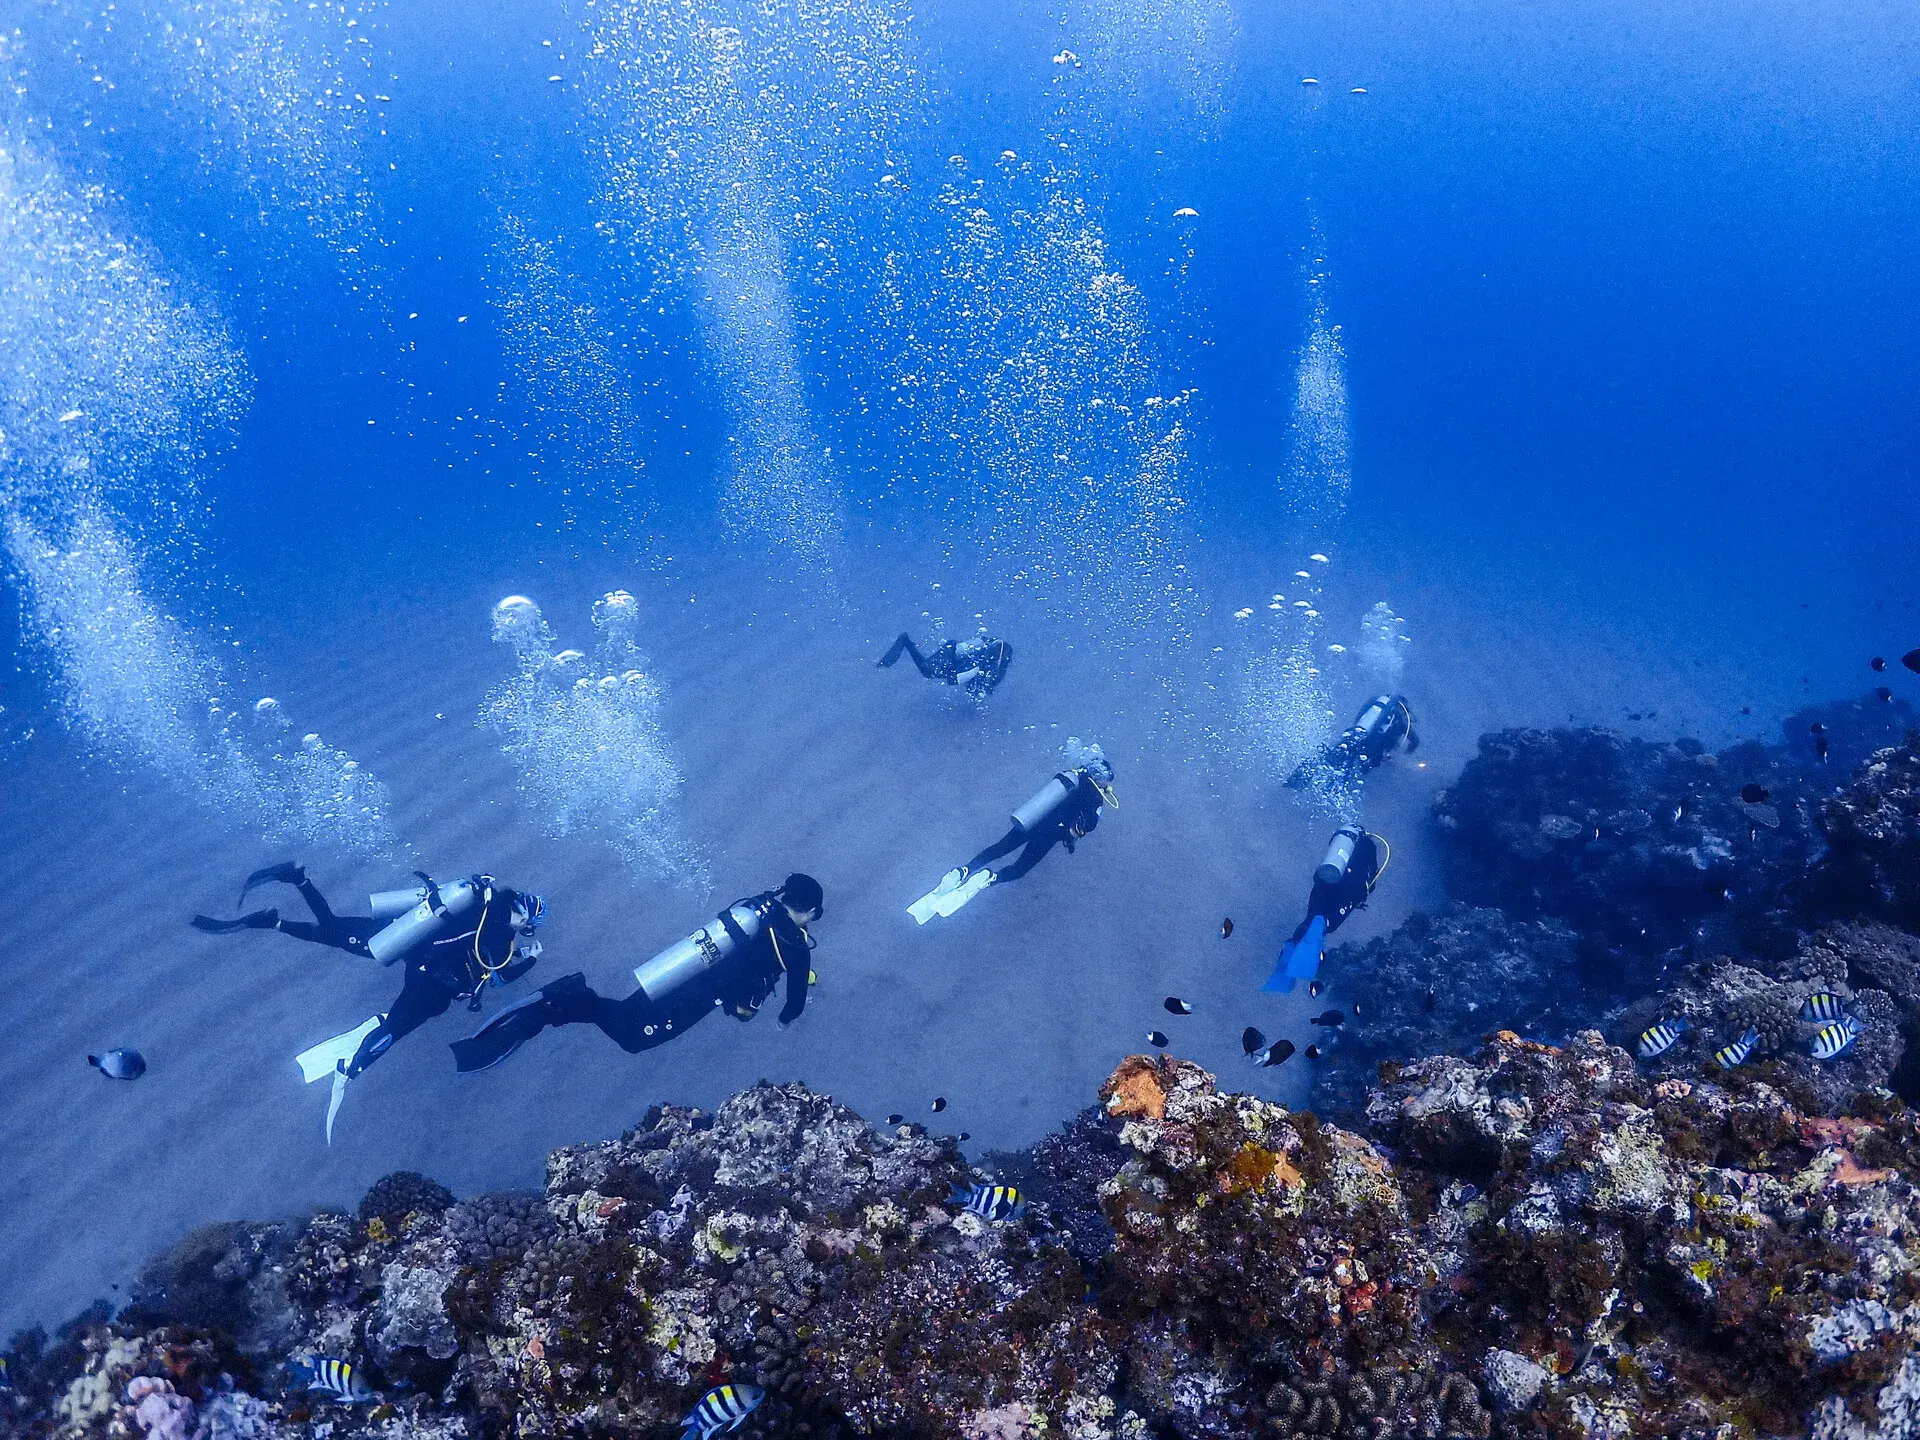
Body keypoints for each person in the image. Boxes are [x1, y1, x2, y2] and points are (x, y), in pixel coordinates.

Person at [192, 864, 546, 1077]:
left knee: (329, 929)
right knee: (396, 1026)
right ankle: (356, 1066)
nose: (527, 929)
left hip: (403, 934)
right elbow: (496, 976)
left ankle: (282, 907)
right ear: (525, 918)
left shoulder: (480, 906)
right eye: (530, 924)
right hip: (427, 981)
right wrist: (530, 959)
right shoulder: (501, 938)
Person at [451, 873, 824, 1072]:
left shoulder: (757, 911)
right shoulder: (794, 946)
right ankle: (568, 997)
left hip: (679, 971)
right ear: (807, 910)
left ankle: (557, 1007)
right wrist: (783, 1027)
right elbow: (792, 1005)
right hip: (697, 996)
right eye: (815, 914)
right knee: (633, 1038)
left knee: (627, 1017)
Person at [908, 752, 1117, 923]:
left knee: (1000, 848)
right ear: (1100, 779)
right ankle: (989, 879)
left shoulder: (1069, 777)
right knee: (1019, 869)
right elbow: (1090, 825)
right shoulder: (1095, 797)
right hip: (1050, 833)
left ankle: (964, 870)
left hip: (1032, 819)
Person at [1263, 828, 1388, 993]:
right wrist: (1358, 901)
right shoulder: (1370, 853)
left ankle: (1291, 948)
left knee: (1312, 918)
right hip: (1346, 893)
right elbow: (1368, 886)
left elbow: (1322, 870)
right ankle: (1306, 951)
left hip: (1323, 884)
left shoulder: (1345, 846)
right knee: (1326, 924)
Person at [1287, 694, 1417, 789]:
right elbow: (1413, 742)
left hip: (1354, 733)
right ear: (1403, 707)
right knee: (1347, 769)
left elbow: (1360, 716)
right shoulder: (1398, 718)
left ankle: (1297, 781)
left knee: (1334, 755)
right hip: (1369, 746)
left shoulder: (1376, 705)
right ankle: (1328, 796)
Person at [877, 630, 1013, 700]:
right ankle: (904, 640)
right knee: (926, 671)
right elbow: (952, 680)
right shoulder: (977, 666)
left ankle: (904, 641)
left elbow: (983, 640)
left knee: (928, 668)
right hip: (949, 656)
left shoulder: (988, 654)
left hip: (953, 652)